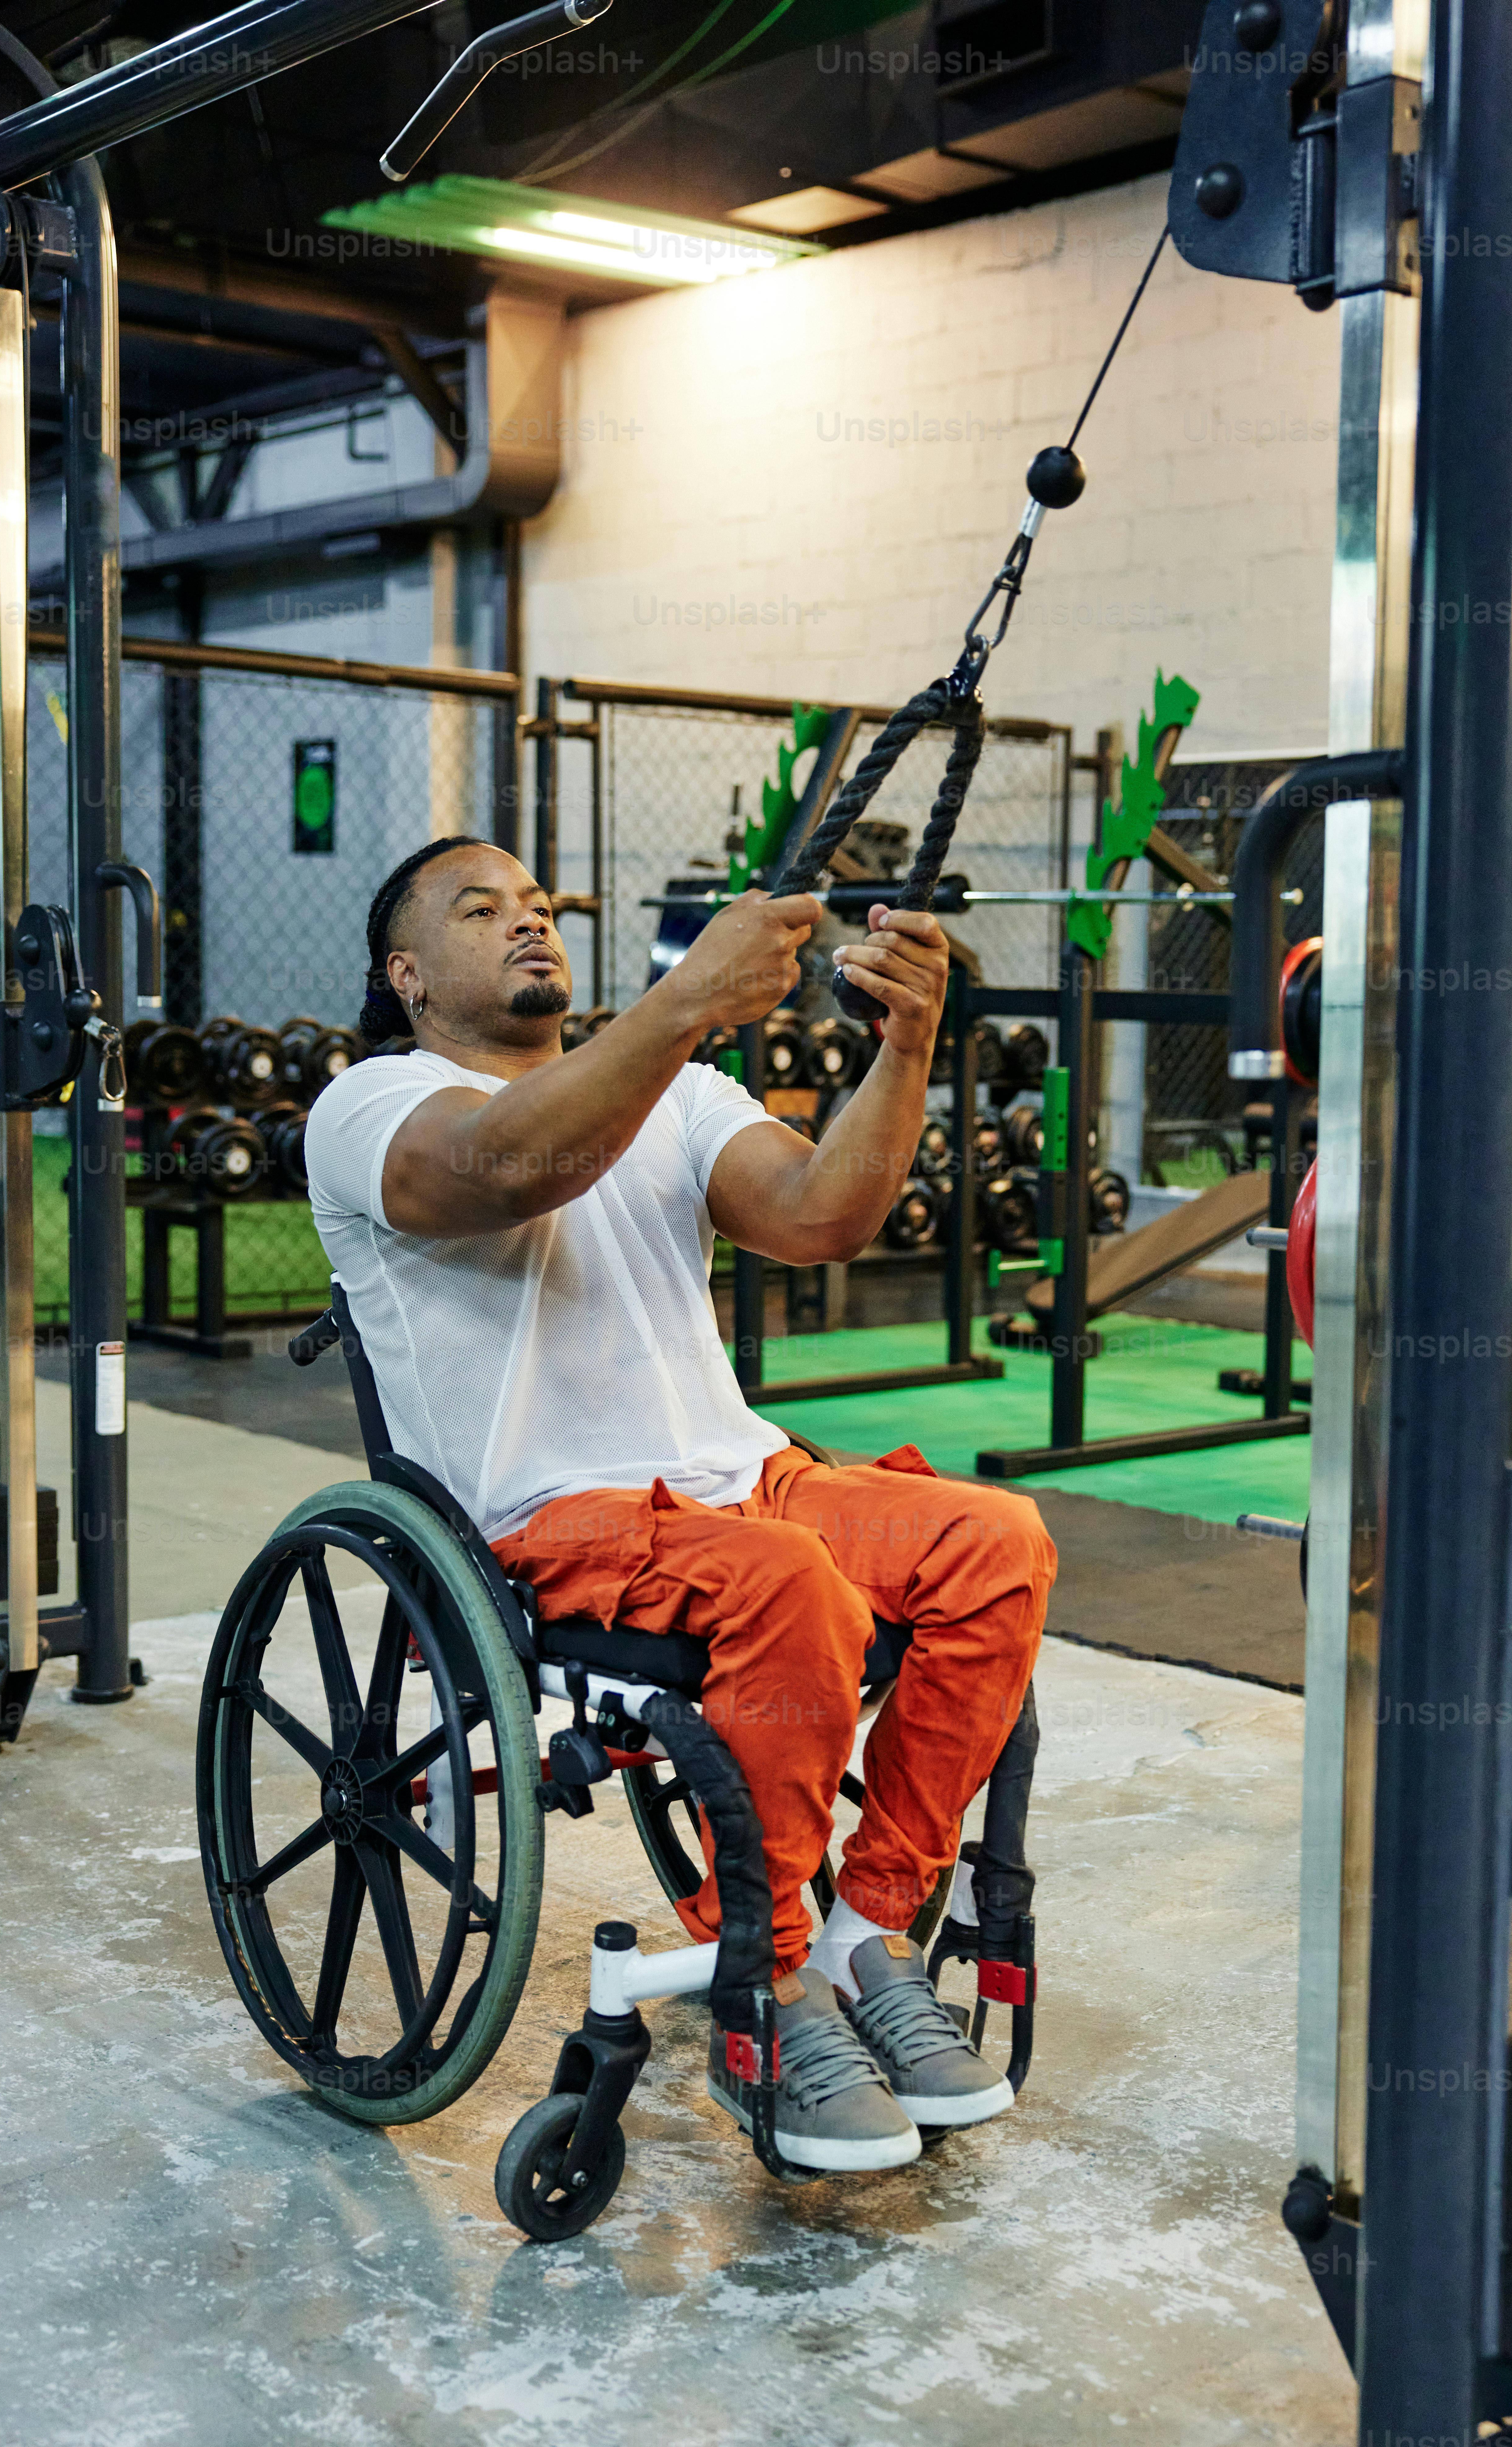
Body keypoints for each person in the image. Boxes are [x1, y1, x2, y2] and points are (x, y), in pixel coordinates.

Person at [305, 833, 1057, 2174]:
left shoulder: (680, 1092)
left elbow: (825, 1213)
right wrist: (688, 1000)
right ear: (406, 974)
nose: (531, 923)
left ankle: (867, 1932)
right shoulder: (373, 1104)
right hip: (549, 1520)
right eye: (485, 911)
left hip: (741, 1482)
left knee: (993, 1541)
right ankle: (756, 1989)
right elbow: (499, 1171)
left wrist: (903, 1048)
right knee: (790, 1589)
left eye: (541, 903)